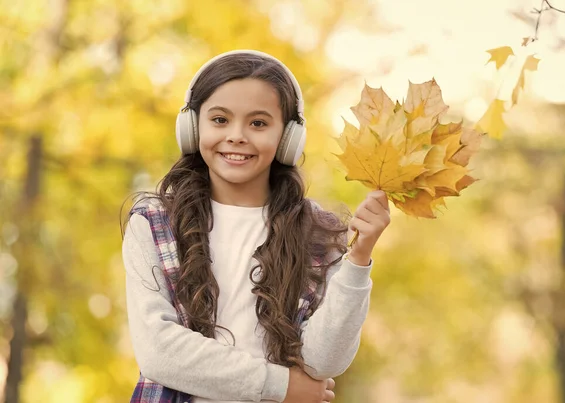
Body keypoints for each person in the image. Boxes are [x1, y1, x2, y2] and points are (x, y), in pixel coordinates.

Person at [122, 49, 391, 403]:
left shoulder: (317, 234)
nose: (237, 135)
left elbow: (324, 361)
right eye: (220, 120)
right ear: (191, 126)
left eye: (258, 123)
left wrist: (359, 259)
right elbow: (159, 350)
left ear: (289, 138)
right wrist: (280, 386)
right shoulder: (154, 225)